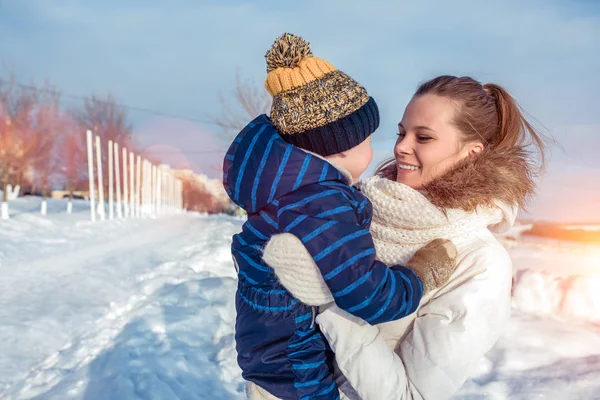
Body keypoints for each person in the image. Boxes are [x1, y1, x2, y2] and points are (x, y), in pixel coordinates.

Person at [263, 75, 548, 399]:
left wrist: (328, 300)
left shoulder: (481, 263)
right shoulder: (360, 209)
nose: (400, 146)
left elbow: (410, 395)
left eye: (423, 137)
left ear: (472, 153)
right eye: (402, 132)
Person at [223, 34, 458, 400]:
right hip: (299, 376)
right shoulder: (322, 204)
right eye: (368, 140)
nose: (385, 149)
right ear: (343, 148)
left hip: (269, 364)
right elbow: (369, 296)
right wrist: (421, 274)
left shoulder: (287, 192)